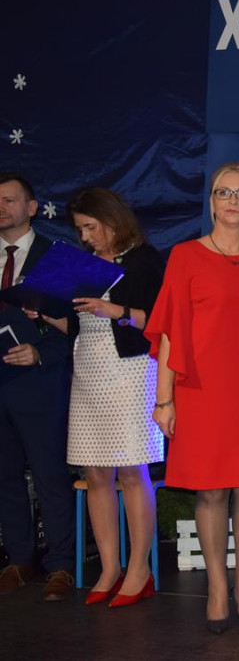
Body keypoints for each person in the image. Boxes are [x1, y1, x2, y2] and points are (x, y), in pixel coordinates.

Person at [146, 162, 239, 633]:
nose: (232, 200)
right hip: (202, 390)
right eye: (223, 192)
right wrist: (164, 399)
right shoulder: (184, 256)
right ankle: (215, 590)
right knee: (210, 491)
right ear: (210, 202)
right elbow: (171, 331)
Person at [32, 188, 165, 607]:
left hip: (130, 371)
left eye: (90, 227)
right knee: (95, 474)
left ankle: (139, 568)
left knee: (132, 471)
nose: (86, 236)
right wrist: (45, 313)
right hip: (88, 370)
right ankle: (109, 567)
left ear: (112, 219)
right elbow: (77, 326)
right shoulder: (82, 263)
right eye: (80, 230)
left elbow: (160, 322)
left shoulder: (143, 260)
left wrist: (118, 312)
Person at [0, 173, 76, 601]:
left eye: (10, 200)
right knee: (4, 475)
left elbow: (76, 327)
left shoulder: (55, 258)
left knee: (50, 476)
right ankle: (18, 560)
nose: (1, 207)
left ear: (32, 207)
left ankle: (61, 565)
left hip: (39, 384)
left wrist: (40, 353)